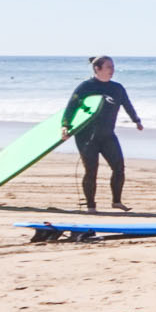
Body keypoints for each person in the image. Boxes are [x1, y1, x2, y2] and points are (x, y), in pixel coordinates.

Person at [60, 55, 143, 212]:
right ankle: (91, 206)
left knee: (119, 167)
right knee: (91, 170)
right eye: (109, 67)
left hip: (107, 135)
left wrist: (136, 120)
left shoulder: (117, 88)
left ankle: (116, 201)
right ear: (97, 69)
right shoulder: (85, 87)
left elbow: (127, 104)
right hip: (86, 136)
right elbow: (71, 107)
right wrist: (65, 126)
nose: (112, 70)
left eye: (113, 66)